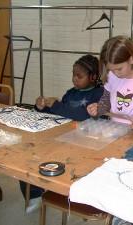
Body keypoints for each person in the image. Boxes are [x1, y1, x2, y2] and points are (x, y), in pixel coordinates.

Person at [20, 54, 104, 214]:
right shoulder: (70, 93)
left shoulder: (99, 94)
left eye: (79, 76)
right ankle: (35, 195)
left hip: (85, 141)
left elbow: (85, 116)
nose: (74, 79)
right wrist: (42, 107)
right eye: (73, 75)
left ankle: (67, 192)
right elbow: (58, 112)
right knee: (30, 155)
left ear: (93, 77)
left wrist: (58, 106)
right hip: (62, 135)